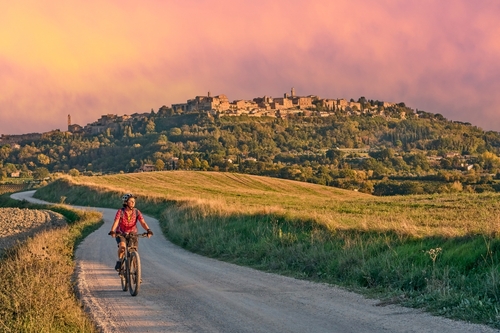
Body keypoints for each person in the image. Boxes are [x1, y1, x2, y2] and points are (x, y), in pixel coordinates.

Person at [108, 193, 153, 270]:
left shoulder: (136, 212)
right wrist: (112, 231)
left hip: (132, 234)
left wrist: (148, 230)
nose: (133, 203)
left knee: (134, 252)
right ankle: (120, 261)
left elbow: (143, 222)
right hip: (121, 233)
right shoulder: (120, 211)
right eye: (131, 201)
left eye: (134, 201)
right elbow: (116, 222)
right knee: (122, 247)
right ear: (126, 202)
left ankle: (136, 274)